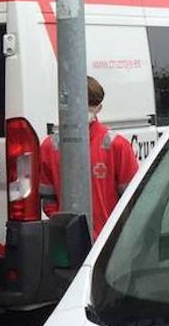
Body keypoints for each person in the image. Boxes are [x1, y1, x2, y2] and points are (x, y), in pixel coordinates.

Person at [38, 76, 142, 237]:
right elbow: (47, 196)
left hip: (106, 239)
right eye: (81, 102)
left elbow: (132, 197)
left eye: (91, 104)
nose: (85, 108)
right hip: (66, 238)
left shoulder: (116, 145)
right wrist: (59, 220)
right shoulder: (50, 147)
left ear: (99, 108)